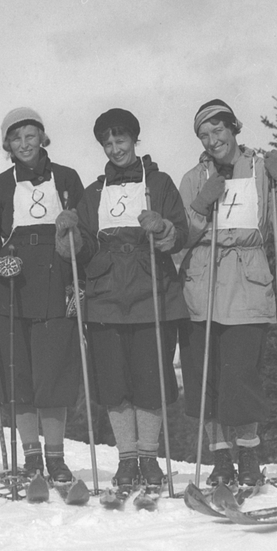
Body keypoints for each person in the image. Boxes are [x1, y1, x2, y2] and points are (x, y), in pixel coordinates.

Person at [55, 108, 188, 490]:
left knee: (149, 379)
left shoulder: (159, 183)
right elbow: (81, 247)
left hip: (152, 292)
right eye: (108, 143)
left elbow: (180, 233)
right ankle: (127, 458)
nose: (115, 149)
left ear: (134, 140)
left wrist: (161, 227)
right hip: (105, 296)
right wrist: (70, 234)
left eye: (121, 140)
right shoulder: (94, 192)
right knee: (113, 381)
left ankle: (149, 457)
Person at [178, 99, 277, 490]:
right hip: (203, 282)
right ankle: (220, 457)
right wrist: (200, 205)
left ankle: (248, 453)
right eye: (205, 135)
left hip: (247, 280)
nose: (213, 140)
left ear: (234, 128)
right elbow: (181, 238)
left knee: (240, 375)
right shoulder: (193, 177)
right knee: (209, 376)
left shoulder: (261, 169)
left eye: (219, 130)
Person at [0, 108, 86, 483]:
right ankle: (31, 458)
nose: (24, 144)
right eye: (16, 138)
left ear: (42, 137)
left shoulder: (66, 177)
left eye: (31, 136)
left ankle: (56, 458)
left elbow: (84, 232)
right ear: (7, 145)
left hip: (56, 278)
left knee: (54, 373)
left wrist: (73, 238)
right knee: (20, 373)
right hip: (12, 281)